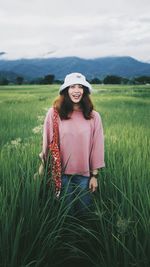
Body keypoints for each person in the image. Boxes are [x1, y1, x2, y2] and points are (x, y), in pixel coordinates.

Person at [39, 72, 105, 216]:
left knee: (84, 213)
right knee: (64, 214)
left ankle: (83, 238)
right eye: (72, 87)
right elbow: (47, 141)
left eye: (80, 87)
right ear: (65, 90)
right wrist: (43, 165)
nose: (76, 90)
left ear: (85, 91)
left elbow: (97, 146)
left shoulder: (93, 116)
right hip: (60, 174)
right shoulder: (54, 113)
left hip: (84, 175)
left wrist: (95, 176)